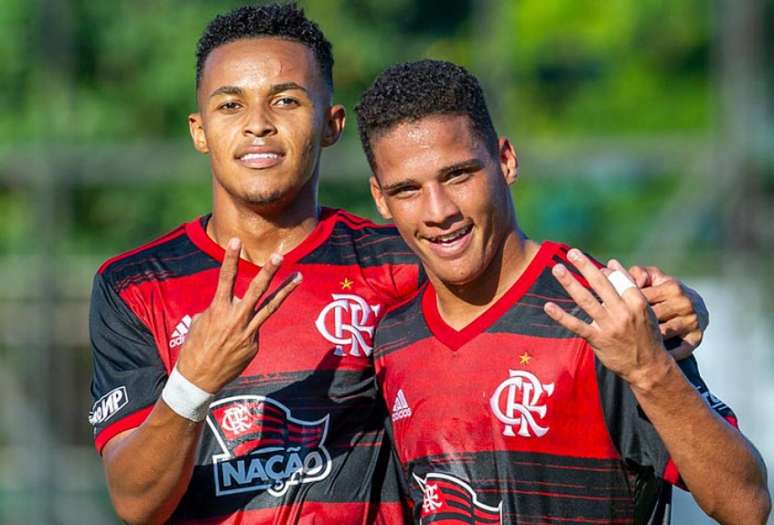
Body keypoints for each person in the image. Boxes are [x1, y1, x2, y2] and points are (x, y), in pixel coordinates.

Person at [89, 4, 715, 524]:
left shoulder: (401, 256)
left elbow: (525, 282)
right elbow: (136, 501)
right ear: (199, 130)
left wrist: (671, 303)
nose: (258, 126)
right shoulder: (133, 285)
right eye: (231, 106)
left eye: (286, 101)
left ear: (331, 124)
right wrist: (193, 383)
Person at [356, 59, 771, 524]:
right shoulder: (390, 339)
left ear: (506, 160)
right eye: (407, 189)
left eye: (458, 175)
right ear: (379, 198)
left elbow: (746, 505)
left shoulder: (605, 316)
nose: (438, 211)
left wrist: (650, 370)